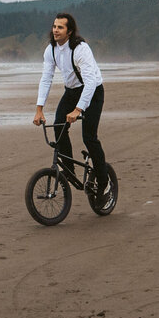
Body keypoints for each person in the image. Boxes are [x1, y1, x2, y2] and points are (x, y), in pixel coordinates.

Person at [32, 11, 110, 208]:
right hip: (72, 91)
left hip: (93, 91)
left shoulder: (81, 49)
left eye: (60, 27)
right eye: (54, 26)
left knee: (89, 137)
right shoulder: (50, 50)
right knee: (58, 128)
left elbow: (91, 82)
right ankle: (69, 170)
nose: (55, 30)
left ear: (70, 31)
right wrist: (39, 109)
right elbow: (46, 78)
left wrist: (78, 110)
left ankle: (104, 183)